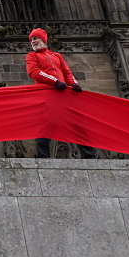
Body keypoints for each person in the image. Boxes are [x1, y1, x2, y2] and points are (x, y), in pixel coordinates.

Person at [26, 28, 96, 159]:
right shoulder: (32, 56)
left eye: (35, 38)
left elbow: (67, 72)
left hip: (63, 94)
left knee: (77, 124)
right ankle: (43, 157)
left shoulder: (56, 56)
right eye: (31, 40)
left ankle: (89, 156)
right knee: (46, 124)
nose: (33, 42)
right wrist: (55, 81)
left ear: (43, 40)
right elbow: (34, 72)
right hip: (47, 94)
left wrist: (74, 84)